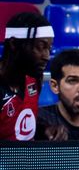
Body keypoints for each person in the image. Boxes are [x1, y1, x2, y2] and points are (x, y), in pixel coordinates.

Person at [0, 11, 53, 141]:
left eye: (49, 48)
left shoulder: (34, 79)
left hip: (25, 160)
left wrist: (44, 129)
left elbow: (18, 123)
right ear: (14, 44)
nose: (47, 56)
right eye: (40, 47)